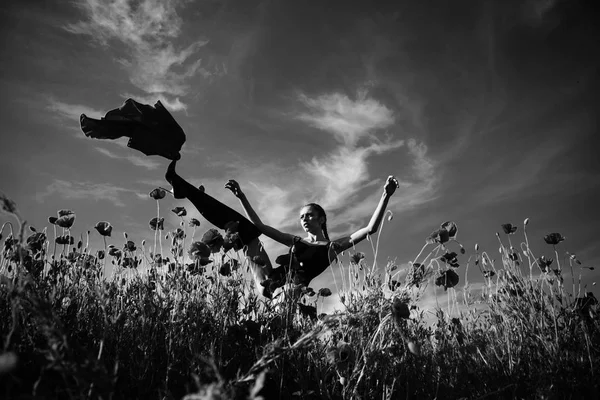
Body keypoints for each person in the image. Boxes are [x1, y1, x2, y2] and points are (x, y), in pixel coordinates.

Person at [165, 160, 399, 298]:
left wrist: (385, 195)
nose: (304, 219)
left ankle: (185, 190)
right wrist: (242, 197)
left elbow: (370, 229)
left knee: (246, 232)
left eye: (309, 215)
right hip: (269, 278)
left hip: (287, 292)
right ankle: (184, 189)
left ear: (322, 219)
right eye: (301, 217)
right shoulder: (296, 241)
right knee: (244, 228)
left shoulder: (332, 248)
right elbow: (260, 227)